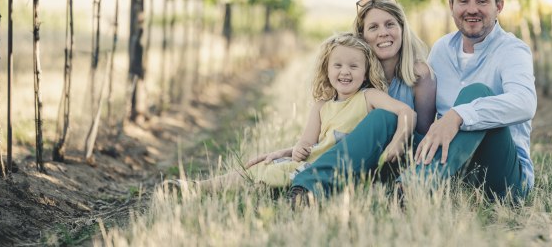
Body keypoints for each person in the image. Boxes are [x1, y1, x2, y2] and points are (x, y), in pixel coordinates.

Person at [290, 0, 536, 202]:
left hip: (502, 175)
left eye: (482, 0)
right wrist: (302, 149)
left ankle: (416, 186)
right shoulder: (442, 49)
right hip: (452, 170)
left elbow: (525, 103)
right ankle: (306, 186)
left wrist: (458, 116)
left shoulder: (513, 50)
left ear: (499, 6)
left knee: (476, 93)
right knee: (385, 117)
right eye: (463, 0)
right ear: (451, 6)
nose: (472, 9)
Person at [177, 32, 416, 190]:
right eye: (338, 65)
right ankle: (197, 187)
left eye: (354, 66)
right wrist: (300, 148)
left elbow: (406, 112)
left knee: (270, 176)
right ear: (327, 70)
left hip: (342, 168)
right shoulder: (321, 107)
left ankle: (270, 186)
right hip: (313, 162)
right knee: (260, 170)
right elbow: (307, 143)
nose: (345, 71)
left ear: (365, 72)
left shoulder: (369, 97)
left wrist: (398, 140)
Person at [353, 0, 436, 135]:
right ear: (362, 37)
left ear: (402, 29)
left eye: (390, 24)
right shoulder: (352, 75)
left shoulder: (420, 74)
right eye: (373, 27)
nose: (383, 33)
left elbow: (423, 136)